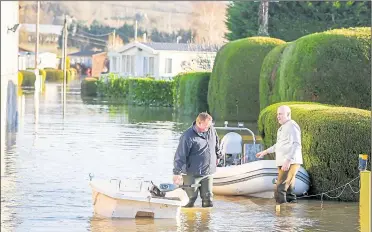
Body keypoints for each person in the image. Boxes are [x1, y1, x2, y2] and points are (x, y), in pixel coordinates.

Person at [173, 112, 222, 208]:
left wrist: (218, 156)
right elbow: (180, 155)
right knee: (190, 199)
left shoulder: (211, 130)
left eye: (210, 126)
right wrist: (176, 172)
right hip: (192, 173)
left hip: (208, 172)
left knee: (208, 199)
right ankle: (187, 221)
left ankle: (206, 221)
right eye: (206, 126)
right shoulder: (187, 136)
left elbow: (216, 143)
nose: (208, 128)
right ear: (199, 123)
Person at [256, 105, 303, 204]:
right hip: (284, 162)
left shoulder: (292, 126)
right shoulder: (282, 128)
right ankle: (290, 215)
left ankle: (281, 215)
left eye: (280, 114)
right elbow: (278, 145)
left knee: (279, 188)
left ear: (288, 114)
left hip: (290, 162)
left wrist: (288, 160)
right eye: (277, 114)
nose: (278, 116)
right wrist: (265, 152)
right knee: (289, 190)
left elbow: (296, 144)